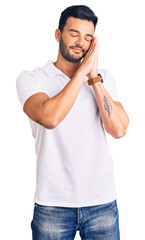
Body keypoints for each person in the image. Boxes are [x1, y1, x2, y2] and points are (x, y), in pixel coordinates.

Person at [16, 5, 129, 240]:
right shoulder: (32, 79)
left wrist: (93, 77)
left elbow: (118, 129)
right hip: (52, 205)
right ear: (58, 35)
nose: (81, 42)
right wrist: (81, 73)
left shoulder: (102, 78)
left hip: (102, 203)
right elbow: (50, 117)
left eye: (88, 37)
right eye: (74, 34)